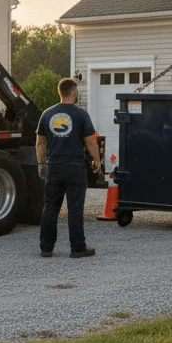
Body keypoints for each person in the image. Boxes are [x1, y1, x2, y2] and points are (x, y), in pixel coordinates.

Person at [35, 78, 102, 258]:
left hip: (54, 166)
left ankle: (46, 248)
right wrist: (97, 161)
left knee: (50, 207)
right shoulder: (81, 114)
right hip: (75, 168)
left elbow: (40, 142)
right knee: (75, 209)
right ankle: (78, 248)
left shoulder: (47, 114)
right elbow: (90, 140)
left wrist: (42, 164)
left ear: (60, 92)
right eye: (77, 91)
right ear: (73, 92)